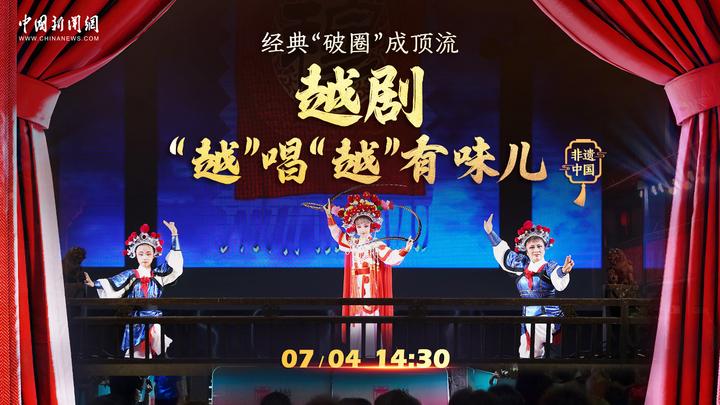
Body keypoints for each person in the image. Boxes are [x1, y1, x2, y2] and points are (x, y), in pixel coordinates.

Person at [324, 192, 413, 354]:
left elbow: (390, 257)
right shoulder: (352, 243)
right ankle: (355, 354)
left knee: (372, 318)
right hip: (355, 286)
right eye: (359, 226)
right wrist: (329, 215)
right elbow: (337, 234)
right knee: (355, 320)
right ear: (355, 227)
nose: (363, 229)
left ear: (371, 226)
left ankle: (371, 355)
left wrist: (404, 250)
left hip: (372, 287)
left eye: (365, 226)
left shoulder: (376, 245)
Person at [84, 221, 183, 358]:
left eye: (148, 254)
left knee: (158, 347)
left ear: (154, 255)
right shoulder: (130, 275)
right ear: (135, 255)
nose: (144, 257)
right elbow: (113, 283)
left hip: (154, 319)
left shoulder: (158, 275)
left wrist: (174, 234)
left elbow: (174, 265)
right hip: (135, 321)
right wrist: (94, 284)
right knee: (137, 356)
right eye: (141, 254)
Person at [483, 214, 574, 358]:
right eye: (532, 247)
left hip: (548, 319)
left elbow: (558, 277)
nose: (536, 250)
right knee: (526, 355)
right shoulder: (521, 265)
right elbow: (504, 253)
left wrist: (563, 271)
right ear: (525, 249)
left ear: (545, 248)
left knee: (549, 356)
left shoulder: (550, 266)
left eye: (539, 246)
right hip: (528, 319)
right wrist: (490, 233)